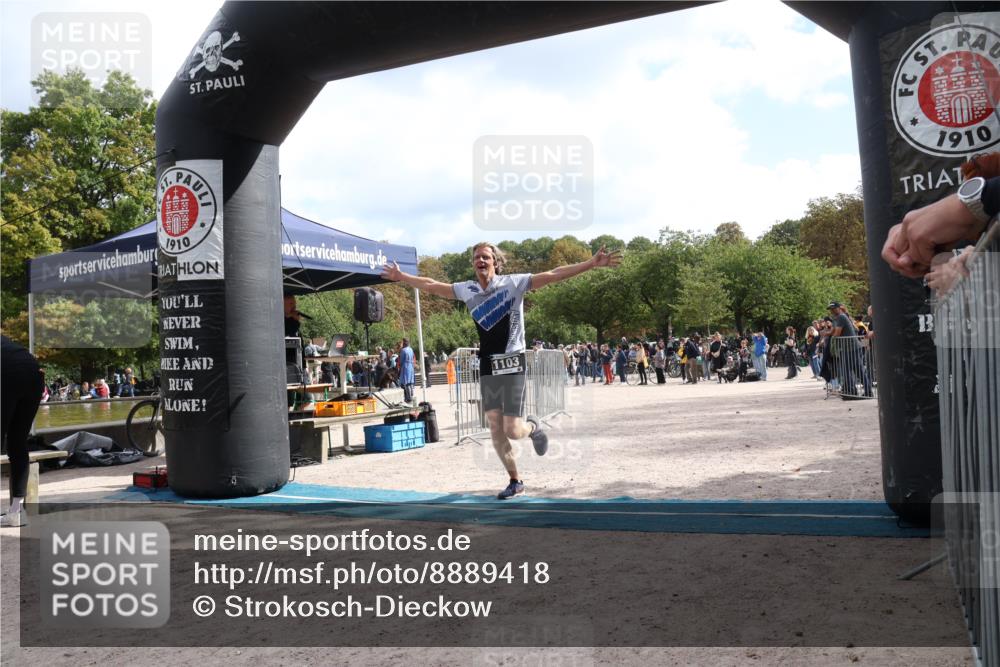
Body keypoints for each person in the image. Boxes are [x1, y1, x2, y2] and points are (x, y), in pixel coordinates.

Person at [381, 241, 620, 500]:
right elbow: (430, 285)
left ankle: (532, 428)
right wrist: (400, 276)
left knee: (512, 430)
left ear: (495, 261)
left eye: (485, 257)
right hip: (487, 364)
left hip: (512, 361)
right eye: (476, 258)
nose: (480, 261)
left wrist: (590, 264)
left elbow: (554, 275)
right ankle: (515, 481)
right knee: (495, 427)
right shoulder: (467, 289)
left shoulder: (513, 283)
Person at [2, 336, 45, 527]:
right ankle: (15, 513)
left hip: (8, 371)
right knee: (18, 443)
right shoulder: (6, 342)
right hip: (33, 371)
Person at [828, 302, 872, 397]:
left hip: (850, 347)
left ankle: (851, 391)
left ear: (839, 308)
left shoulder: (841, 317)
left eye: (834, 308)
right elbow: (833, 331)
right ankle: (866, 391)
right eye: (831, 309)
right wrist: (827, 334)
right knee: (857, 370)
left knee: (847, 370)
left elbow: (837, 333)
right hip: (849, 348)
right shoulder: (837, 318)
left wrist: (830, 337)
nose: (832, 311)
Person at [397, 338, 415, 404]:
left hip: (405, 366)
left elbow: (401, 361)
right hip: (411, 366)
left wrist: (400, 368)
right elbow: (413, 357)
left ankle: (408, 397)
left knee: (406, 382)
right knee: (410, 382)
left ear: (404, 343)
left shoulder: (403, 350)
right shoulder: (411, 349)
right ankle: (411, 395)